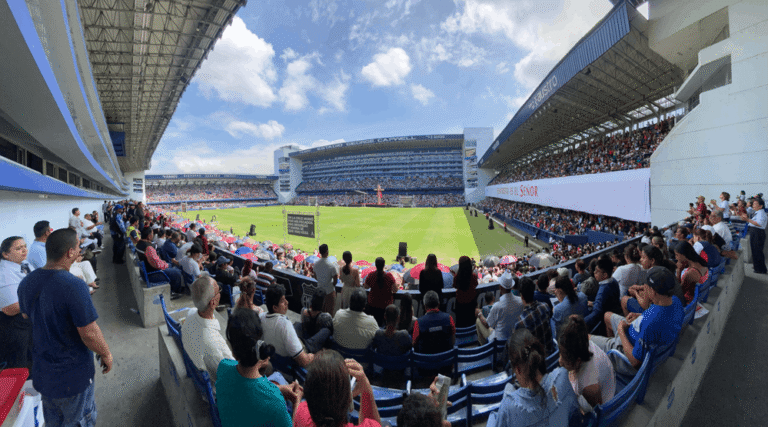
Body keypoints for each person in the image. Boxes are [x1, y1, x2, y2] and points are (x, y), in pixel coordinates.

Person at [17, 228, 113, 426]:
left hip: (44, 373)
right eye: (78, 246)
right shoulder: (74, 286)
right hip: (72, 377)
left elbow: (26, 315)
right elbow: (89, 333)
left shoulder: (26, 283)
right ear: (70, 252)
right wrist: (106, 353)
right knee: (79, 420)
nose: (79, 250)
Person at [591, 266, 684, 378]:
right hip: (636, 330)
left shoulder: (650, 324)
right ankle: (612, 345)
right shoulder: (675, 301)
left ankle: (614, 351)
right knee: (607, 316)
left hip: (628, 354)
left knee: (587, 338)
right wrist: (640, 316)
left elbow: (635, 362)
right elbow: (658, 316)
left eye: (646, 287)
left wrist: (621, 331)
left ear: (653, 292)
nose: (644, 289)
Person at [217, 309, 303, 427]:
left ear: (233, 352)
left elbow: (248, 389)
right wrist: (297, 403)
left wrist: (280, 389)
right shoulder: (274, 401)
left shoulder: (223, 367)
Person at [487, 329, 580, 427]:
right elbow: (575, 415)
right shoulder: (563, 376)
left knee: (495, 413)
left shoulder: (508, 407)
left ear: (518, 369)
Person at [293, 350, 382, 427]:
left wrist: (297, 400)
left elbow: (298, 415)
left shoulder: (301, 413)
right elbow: (373, 424)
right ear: (349, 400)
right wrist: (366, 387)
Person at [181, 275, 233, 386]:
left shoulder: (190, 312)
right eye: (218, 290)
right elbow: (232, 376)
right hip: (217, 388)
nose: (220, 291)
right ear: (213, 302)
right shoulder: (214, 344)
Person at [558, 315, 615, 412]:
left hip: (605, 400)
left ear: (578, 361)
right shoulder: (583, 342)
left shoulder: (588, 387)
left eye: (565, 359)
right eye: (560, 354)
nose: (560, 361)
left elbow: (599, 409)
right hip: (605, 382)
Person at [28, 221, 99, 293]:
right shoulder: (38, 250)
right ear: (47, 232)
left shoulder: (43, 245)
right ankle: (86, 290)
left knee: (85, 263)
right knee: (78, 270)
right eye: (51, 229)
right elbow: (49, 271)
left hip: (58, 267)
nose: (51, 231)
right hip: (53, 276)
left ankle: (91, 284)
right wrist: (71, 261)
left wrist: (73, 259)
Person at [0, 236, 34, 370]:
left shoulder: (24, 264)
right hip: (14, 325)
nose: (24, 250)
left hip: (28, 322)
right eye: (19, 248)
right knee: (19, 367)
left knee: (31, 362)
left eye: (25, 246)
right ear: (5, 254)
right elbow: (11, 307)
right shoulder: (4, 273)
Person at [261, 284, 315, 367]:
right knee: (324, 333)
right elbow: (304, 361)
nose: (287, 302)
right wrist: (312, 356)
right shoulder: (284, 324)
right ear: (275, 307)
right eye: (283, 301)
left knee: (298, 324)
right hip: (290, 362)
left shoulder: (261, 316)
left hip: (276, 355)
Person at [622, 245, 684, 316]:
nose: (640, 260)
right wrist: (640, 287)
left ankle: (630, 321)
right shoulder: (664, 269)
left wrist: (635, 292)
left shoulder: (651, 275)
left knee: (624, 299)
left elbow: (645, 306)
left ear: (652, 260)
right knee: (641, 292)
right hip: (678, 307)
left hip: (667, 313)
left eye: (643, 257)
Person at [136, 228, 185, 296]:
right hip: (152, 274)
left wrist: (163, 262)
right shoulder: (148, 248)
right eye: (152, 234)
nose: (153, 235)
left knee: (171, 265)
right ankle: (175, 292)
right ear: (149, 236)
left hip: (145, 272)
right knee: (176, 272)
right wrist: (165, 264)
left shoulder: (139, 244)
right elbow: (157, 265)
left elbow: (154, 261)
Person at [514, 277, 554, 356]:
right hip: (549, 353)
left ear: (522, 296)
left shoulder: (520, 322)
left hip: (536, 361)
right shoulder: (545, 306)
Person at [583, 256, 621, 331]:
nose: (594, 272)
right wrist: (594, 303)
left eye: (597, 271)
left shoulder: (603, 290)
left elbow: (596, 314)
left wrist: (581, 323)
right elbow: (607, 302)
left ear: (605, 275)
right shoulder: (613, 280)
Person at [486, 272, 524, 343]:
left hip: (501, 343)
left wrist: (479, 314)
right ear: (512, 286)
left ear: (500, 287)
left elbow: (488, 324)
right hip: (516, 339)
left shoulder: (497, 306)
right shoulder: (521, 301)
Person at [364, 257, 398, 326]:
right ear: (384, 265)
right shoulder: (389, 276)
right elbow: (395, 289)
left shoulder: (371, 275)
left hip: (373, 304)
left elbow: (366, 286)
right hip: (386, 306)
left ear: (375, 265)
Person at [741, 197, 766, 274]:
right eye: (753, 204)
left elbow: (759, 224)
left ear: (760, 206)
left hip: (757, 232)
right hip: (755, 232)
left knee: (757, 251)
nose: (753, 205)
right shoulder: (758, 213)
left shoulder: (761, 213)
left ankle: (760, 269)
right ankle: (757, 266)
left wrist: (747, 220)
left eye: (755, 204)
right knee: (755, 250)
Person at [453, 255, 479, 328]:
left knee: (461, 322)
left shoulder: (456, 277)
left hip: (460, 302)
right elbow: (476, 284)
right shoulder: (473, 276)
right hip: (471, 302)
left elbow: (454, 286)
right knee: (471, 321)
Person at [313, 244, 339, 314]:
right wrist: (330, 285)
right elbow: (335, 280)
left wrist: (321, 281)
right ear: (327, 252)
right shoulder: (331, 266)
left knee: (319, 312)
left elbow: (315, 276)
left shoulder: (315, 264)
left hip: (319, 291)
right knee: (329, 313)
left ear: (320, 252)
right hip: (329, 292)